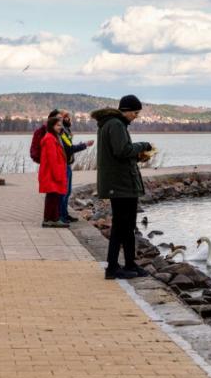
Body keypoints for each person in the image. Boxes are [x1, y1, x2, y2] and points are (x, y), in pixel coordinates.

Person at [92, 95, 153, 280]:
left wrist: (138, 157)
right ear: (126, 110)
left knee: (127, 226)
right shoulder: (116, 125)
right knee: (121, 226)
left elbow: (119, 154)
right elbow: (122, 150)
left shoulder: (112, 124)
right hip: (120, 184)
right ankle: (112, 267)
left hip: (120, 183)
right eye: (135, 112)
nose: (136, 116)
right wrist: (143, 145)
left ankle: (129, 264)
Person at [59, 110, 94, 223]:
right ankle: (62, 216)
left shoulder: (66, 131)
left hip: (67, 164)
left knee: (68, 192)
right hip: (63, 165)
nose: (69, 119)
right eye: (66, 117)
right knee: (64, 192)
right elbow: (69, 148)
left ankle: (65, 214)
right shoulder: (62, 132)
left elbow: (70, 147)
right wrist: (85, 145)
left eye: (69, 117)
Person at [38, 116, 68, 228]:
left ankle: (51, 219)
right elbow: (52, 159)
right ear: (52, 126)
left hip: (52, 173)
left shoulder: (53, 137)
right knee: (53, 196)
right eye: (58, 125)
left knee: (53, 196)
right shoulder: (50, 139)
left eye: (61, 125)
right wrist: (58, 175)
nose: (61, 127)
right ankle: (51, 219)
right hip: (51, 174)